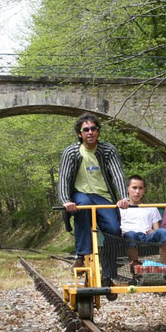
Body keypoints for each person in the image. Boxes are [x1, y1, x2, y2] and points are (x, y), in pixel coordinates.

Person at [58, 113, 130, 291]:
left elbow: (117, 174)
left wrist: (123, 197)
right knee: (82, 209)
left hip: (103, 196)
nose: (90, 132)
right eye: (86, 130)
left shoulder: (107, 150)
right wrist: (66, 200)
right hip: (80, 193)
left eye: (93, 129)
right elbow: (63, 178)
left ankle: (109, 273)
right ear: (79, 134)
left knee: (113, 229)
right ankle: (81, 256)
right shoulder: (71, 152)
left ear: (98, 131)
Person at [119, 175, 166, 264]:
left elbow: (157, 230)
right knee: (131, 235)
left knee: (163, 232)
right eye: (134, 188)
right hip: (129, 236)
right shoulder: (120, 208)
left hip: (146, 235)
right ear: (128, 189)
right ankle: (135, 269)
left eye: (140, 188)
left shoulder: (151, 208)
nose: (137, 192)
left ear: (144, 190)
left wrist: (154, 232)